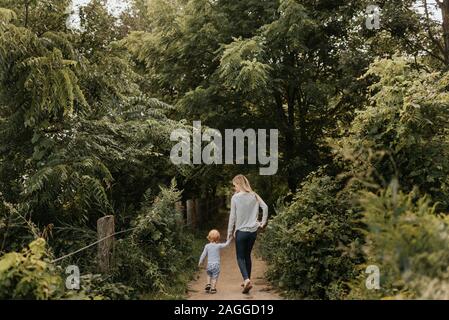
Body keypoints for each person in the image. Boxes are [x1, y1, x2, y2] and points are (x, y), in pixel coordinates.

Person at [227, 174, 268, 294]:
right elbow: (265, 207)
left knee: (240, 257)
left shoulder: (235, 197)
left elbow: (232, 216)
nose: (235, 188)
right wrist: (262, 223)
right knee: (247, 256)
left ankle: (246, 279)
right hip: (252, 232)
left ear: (239, 184)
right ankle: (247, 280)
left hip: (241, 232)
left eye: (235, 186)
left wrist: (230, 232)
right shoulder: (254, 195)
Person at [198, 229, 231, 294]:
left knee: (208, 274)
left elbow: (203, 254)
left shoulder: (207, 246)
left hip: (209, 265)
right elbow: (226, 244)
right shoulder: (218, 245)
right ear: (218, 238)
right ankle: (213, 288)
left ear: (209, 238)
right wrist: (229, 239)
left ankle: (208, 284)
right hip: (216, 265)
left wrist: (200, 261)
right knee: (215, 277)